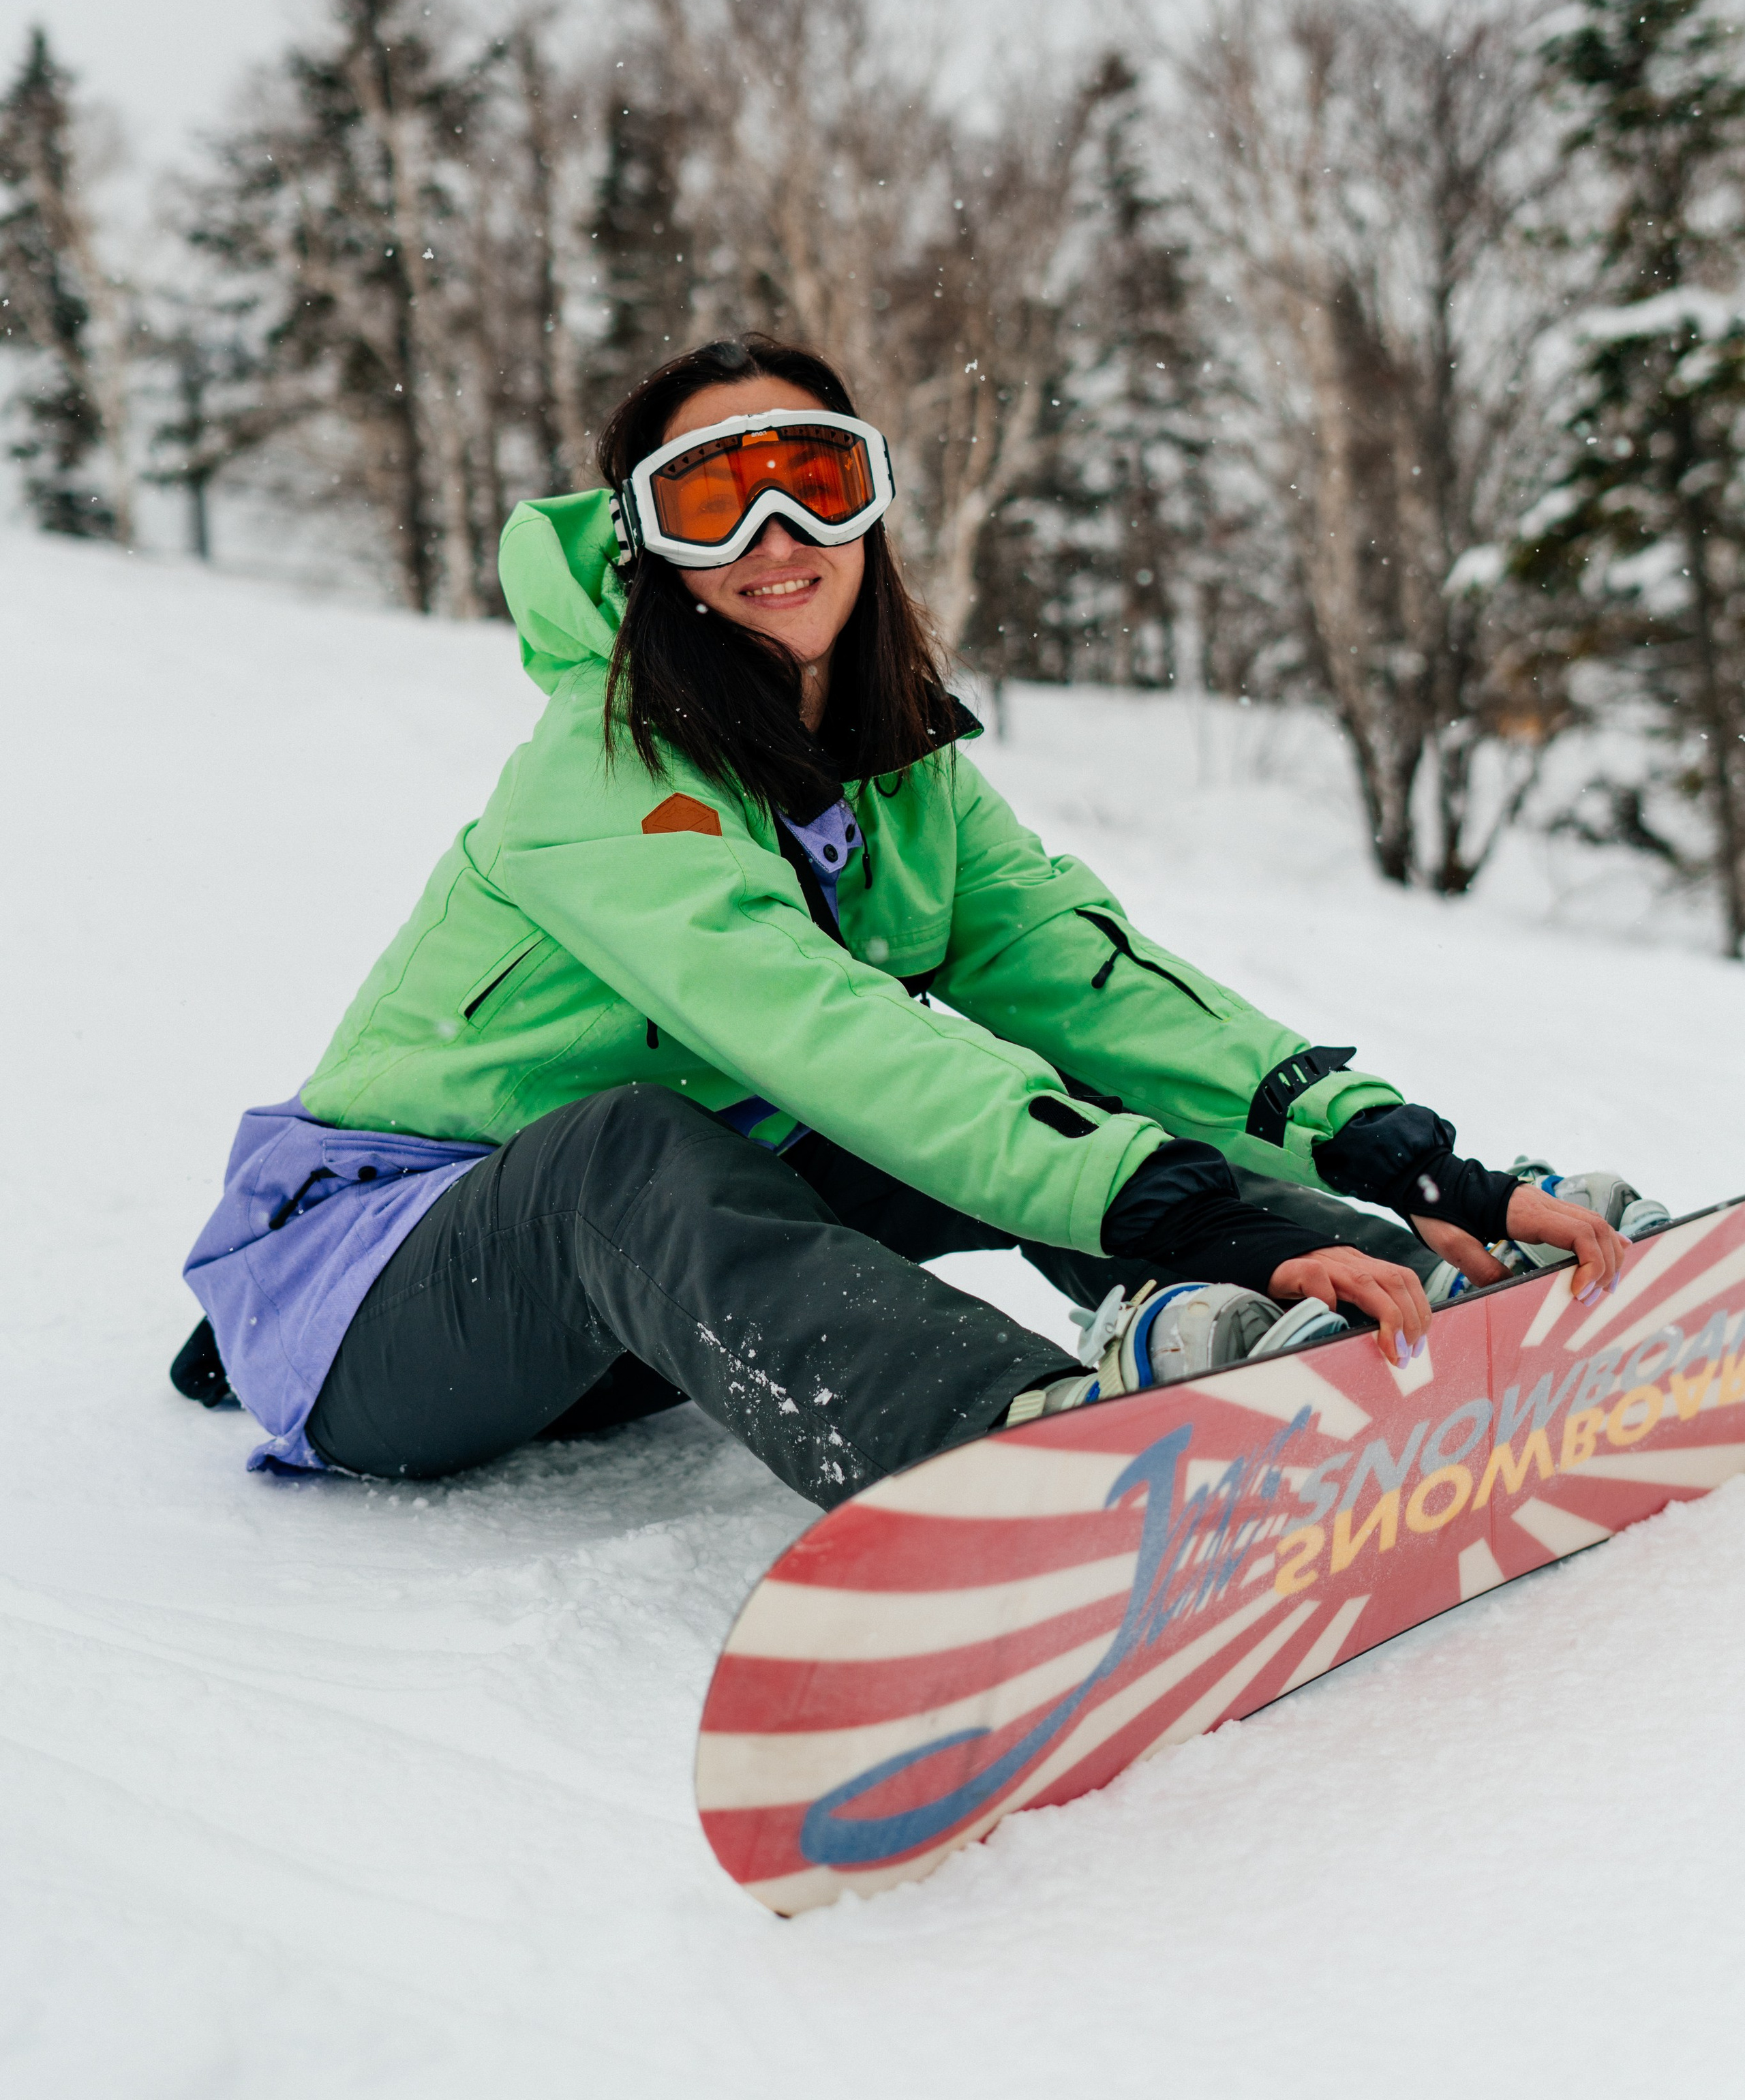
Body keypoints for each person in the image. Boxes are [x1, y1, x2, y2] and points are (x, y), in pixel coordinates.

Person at [177, 336, 1651, 1506]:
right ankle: (1014, 1450)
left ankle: (1383, 1306)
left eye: (813, 478)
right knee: (665, 1132)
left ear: (868, 503)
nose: (774, 530)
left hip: (635, 1305)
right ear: (643, 547)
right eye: (711, 495)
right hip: (378, 1300)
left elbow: (1090, 985)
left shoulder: (899, 779)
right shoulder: (597, 773)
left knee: (1032, 1087)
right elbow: (820, 1032)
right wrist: (1173, 1204)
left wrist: (1409, 1160)